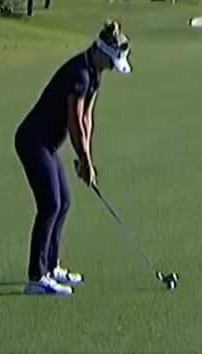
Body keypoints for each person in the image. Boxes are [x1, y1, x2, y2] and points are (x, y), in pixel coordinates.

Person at [14, 20, 131, 295]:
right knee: (50, 204)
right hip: (33, 141)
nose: (111, 69)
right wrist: (85, 161)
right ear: (102, 51)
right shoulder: (80, 73)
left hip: (48, 145)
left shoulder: (95, 72)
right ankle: (36, 277)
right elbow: (74, 120)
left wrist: (86, 158)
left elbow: (88, 118)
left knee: (63, 202)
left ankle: (52, 266)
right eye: (112, 62)